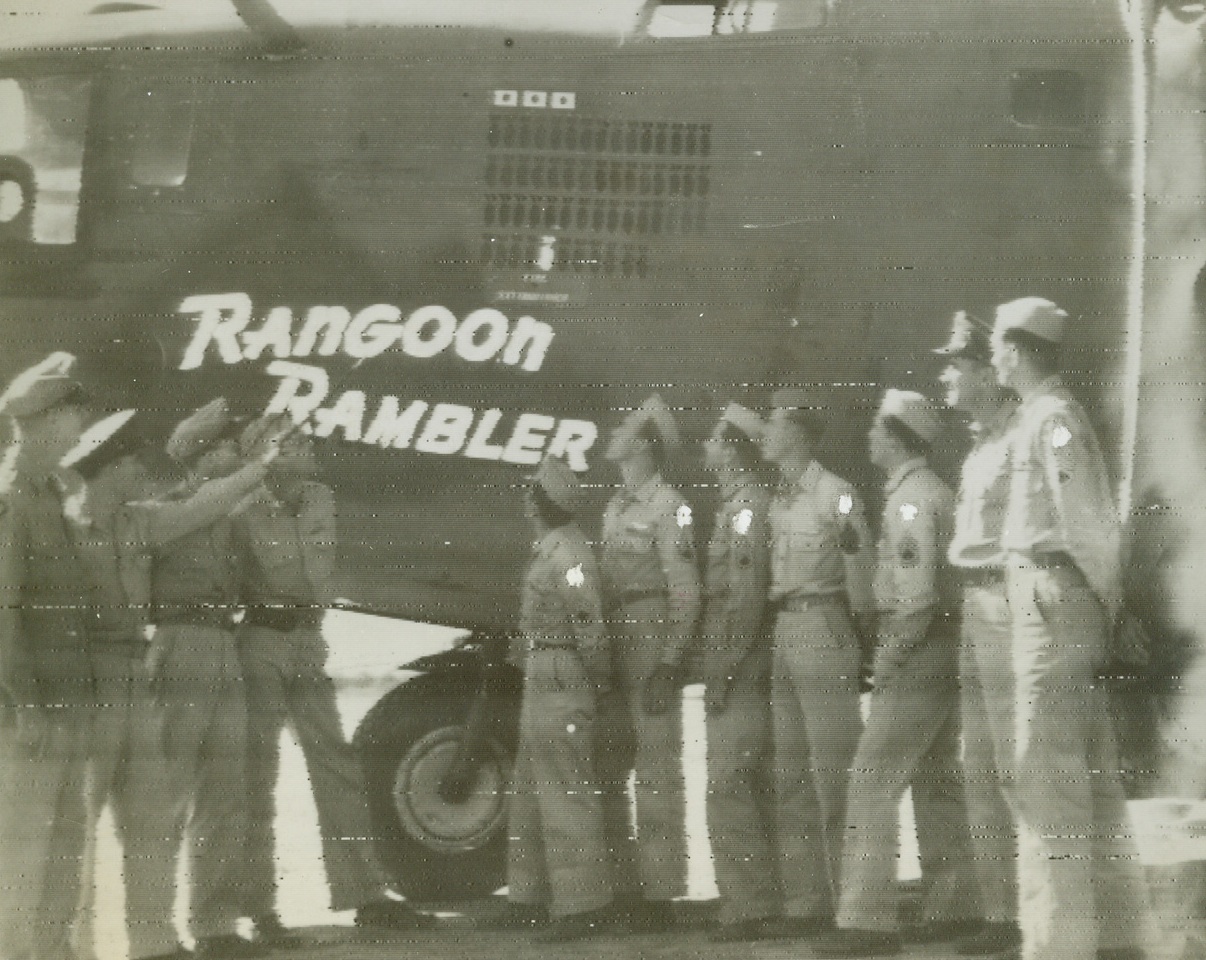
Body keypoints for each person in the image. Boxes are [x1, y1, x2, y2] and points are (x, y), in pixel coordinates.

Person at [60, 408, 285, 960]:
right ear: (109, 467)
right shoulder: (71, 528)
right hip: (114, 668)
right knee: (88, 817)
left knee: (184, 805)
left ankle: (179, 936)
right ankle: (69, 946)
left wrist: (261, 464)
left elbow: (214, 504)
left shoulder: (144, 521)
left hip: (167, 656)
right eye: (131, 461)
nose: (142, 468)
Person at [990, 297, 1149, 960]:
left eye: (999, 345)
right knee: (1089, 776)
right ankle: (1116, 937)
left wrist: (1107, 607)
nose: (994, 356)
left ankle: (1059, 946)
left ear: (1018, 350)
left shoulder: (1051, 420)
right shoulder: (1046, 416)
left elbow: (1084, 519)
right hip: (1062, 600)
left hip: (1055, 600)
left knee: (1047, 777)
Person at [230, 422, 431, 943]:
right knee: (258, 776)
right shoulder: (240, 507)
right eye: (292, 443)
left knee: (338, 764)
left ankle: (367, 895)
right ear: (262, 457)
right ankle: (260, 911)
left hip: (307, 642)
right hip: (261, 642)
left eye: (306, 440)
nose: (307, 447)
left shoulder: (321, 497)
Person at [814, 389, 977, 958]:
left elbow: (916, 595)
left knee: (871, 778)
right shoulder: (930, 491)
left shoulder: (911, 500)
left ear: (898, 438)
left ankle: (867, 920)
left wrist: (889, 656)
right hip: (943, 651)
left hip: (917, 649)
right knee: (936, 779)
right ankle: (956, 905)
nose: (870, 439)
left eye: (878, 431)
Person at [148, 397, 277, 959]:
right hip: (180, 644)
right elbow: (218, 500)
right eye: (226, 445)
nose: (235, 451)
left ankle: (215, 926)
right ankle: (152, 930)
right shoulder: (167, 509)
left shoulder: (228, 511)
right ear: (201, 456)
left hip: (223, 642)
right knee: (167, 795)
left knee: (224, 793)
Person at [759, 387, 875, 938]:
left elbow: (861, 575)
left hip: (825, 627)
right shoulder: (779, 500)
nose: (766, 431)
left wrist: (865, 644)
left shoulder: (836, 495)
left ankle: (853, 905)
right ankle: (806, 903)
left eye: (775, 422)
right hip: (786, 629)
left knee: (836, 776)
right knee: (791, 777)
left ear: (799, 432)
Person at [934, 310, 1024, 956]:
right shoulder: (980, 445)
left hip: (1008, 609)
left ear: (989, 374)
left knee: (1016, 763)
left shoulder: (1020, 440)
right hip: (975, 608)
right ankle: (1001, 913)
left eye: (956, 367)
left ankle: (1032, 911)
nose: (946, 377)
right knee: (979, 766)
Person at [0, 354, 94, 960]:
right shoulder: (12, 500)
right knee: (21, 860)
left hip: (65, 704)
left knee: (64, 848)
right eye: (72, 419)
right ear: (44, 422)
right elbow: (4, 616)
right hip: (26, 713)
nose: (78, 431)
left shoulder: (52, 494)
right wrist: (27, 705)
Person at [597, 394, 701, 931]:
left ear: (643, 445)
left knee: (657, 767)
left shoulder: (669, 505)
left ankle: (660, 895)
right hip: (615, 633)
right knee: (609, 763)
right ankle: (622, 887)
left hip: (649, 630)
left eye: (625, 428)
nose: (615, 433)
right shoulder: (616, 505)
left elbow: (685, 589)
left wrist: (670, 662)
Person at [504, 455, 614, 943]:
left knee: (566, 789)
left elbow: (588, 622)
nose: (525, 500)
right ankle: (527, 898)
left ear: (540, 503)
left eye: (531, 493)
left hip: (561, 669)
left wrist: (598, 682)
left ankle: (583, 906)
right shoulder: (554, 547)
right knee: (530, 789)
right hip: (544, 667)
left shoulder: (568, 555)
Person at [698, 403, 780, 942]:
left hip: (741, 657)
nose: (706, 447)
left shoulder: (747, 508)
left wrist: (725, 667)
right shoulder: (740, 505)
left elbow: (747, 594)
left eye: (713, 439)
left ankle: (749, 906)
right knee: (750, 778)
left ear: (731, 449)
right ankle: (760, 900)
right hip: (743, 653)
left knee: (729, 781)